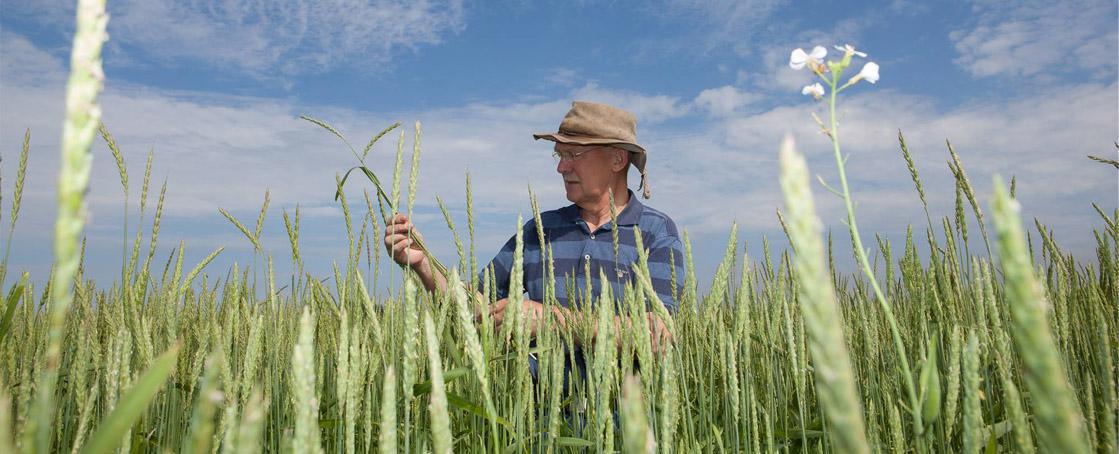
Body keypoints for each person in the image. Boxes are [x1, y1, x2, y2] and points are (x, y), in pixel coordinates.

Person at [383, 100, 684, 352]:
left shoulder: (655, 232)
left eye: (573, 154)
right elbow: (475, 306)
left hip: (627, 420)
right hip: (537, 421)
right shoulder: (539, 231)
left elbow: (660, 333)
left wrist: (555, 321)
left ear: (618, 159)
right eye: (560, 154)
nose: (561, 167)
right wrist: (423, 266)